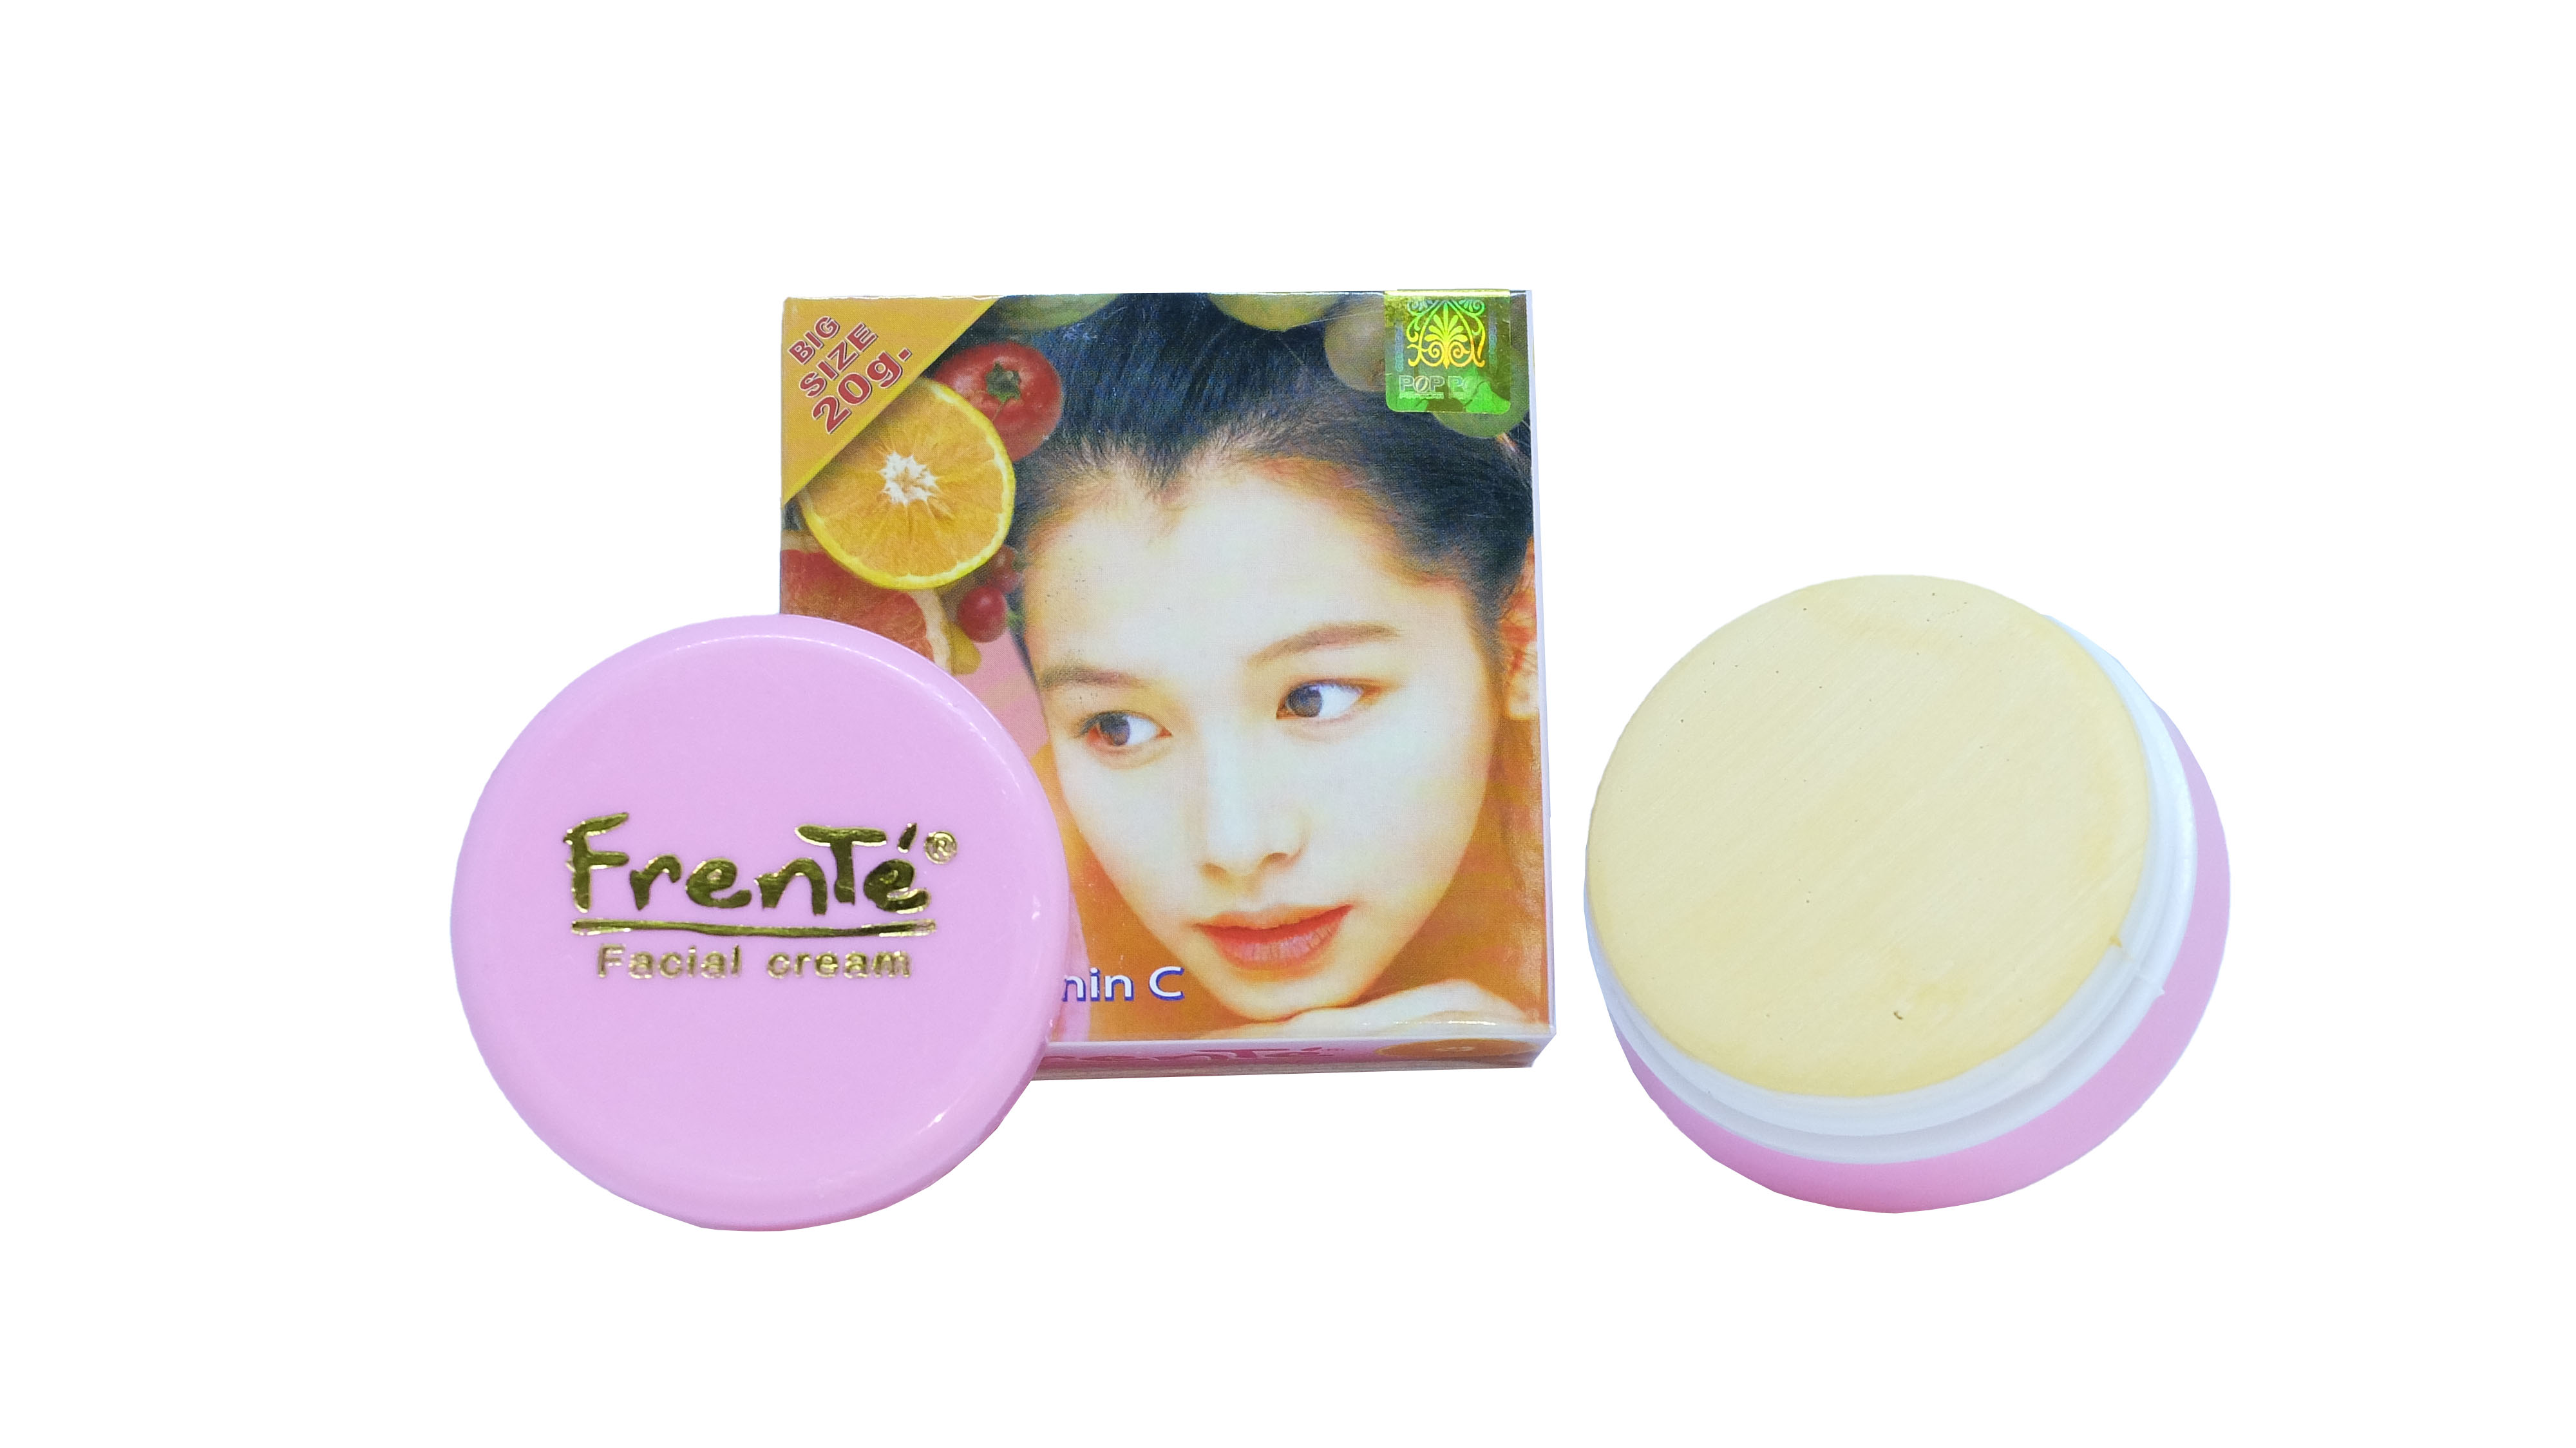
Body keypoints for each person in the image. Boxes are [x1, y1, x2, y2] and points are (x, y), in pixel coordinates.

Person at [1005, 294, 1546, 1039]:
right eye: (1118, 727)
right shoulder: (1002, 945)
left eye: (1316, 698)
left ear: (1519, 633)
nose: (1236, 845)